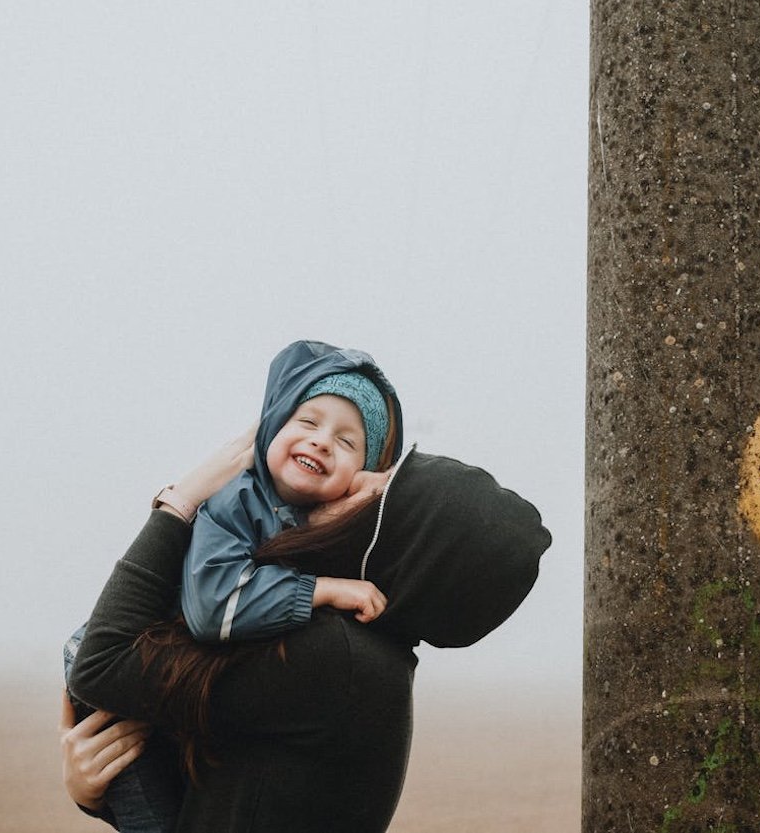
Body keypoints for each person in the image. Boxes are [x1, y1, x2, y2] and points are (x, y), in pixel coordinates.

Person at [63, 434, 552, 832]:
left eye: (379, 490)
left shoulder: (337, 662)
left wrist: (181, 501)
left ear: (397, 550)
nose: (356, 476)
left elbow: (101, 660)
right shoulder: (362, 660)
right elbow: (227, 804)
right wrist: (99, 793)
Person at [63, 339, 405, 832]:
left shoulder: (340, 636)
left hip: (143, 659)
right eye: (307, 421)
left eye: (348, 443)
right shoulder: (236, 502)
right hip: (116, 651)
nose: (322, 441)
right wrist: (320, 589)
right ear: (271, 425)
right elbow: (212, 606)